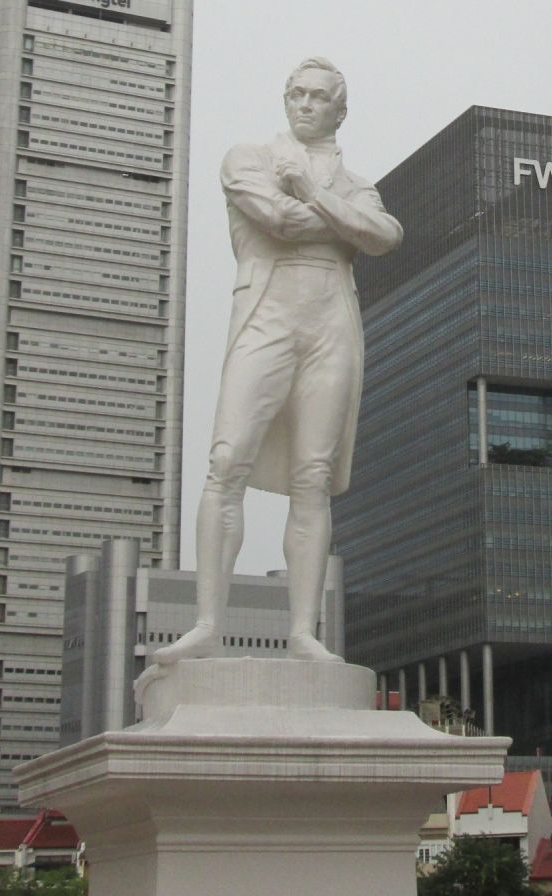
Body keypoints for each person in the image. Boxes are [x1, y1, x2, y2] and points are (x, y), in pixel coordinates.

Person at [155, 57, 402, 665]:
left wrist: (314, 191)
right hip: (267, 311)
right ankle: (208, 623)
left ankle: (303, 631)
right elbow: (280, 222)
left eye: (319, 97)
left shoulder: (353, 181)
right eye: (297, 93)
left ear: (339, 110)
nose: (306, 104)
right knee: (227, 460)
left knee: (312, 477)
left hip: (331, 324)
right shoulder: (248, 158)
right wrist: (339, 225)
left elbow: (385, 236)